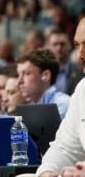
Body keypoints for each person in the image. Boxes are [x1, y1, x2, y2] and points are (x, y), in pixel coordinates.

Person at [36, 17, 85, 177]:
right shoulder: (82, 89)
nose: (80, 56)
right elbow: (65, 148)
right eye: (78, 45)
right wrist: (47, 172)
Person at [15, 48, 70, 119]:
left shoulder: (63, 104)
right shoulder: (31, 107)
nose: (19, 81)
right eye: (18, 75)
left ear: (45, 76)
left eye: (26, 73)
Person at [47, 28, 83, 95]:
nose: (59, 48)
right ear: (48, 47)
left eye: (62, 44)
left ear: (69, 45)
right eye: (55, 44)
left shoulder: (79, 71)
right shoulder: (42, 72)